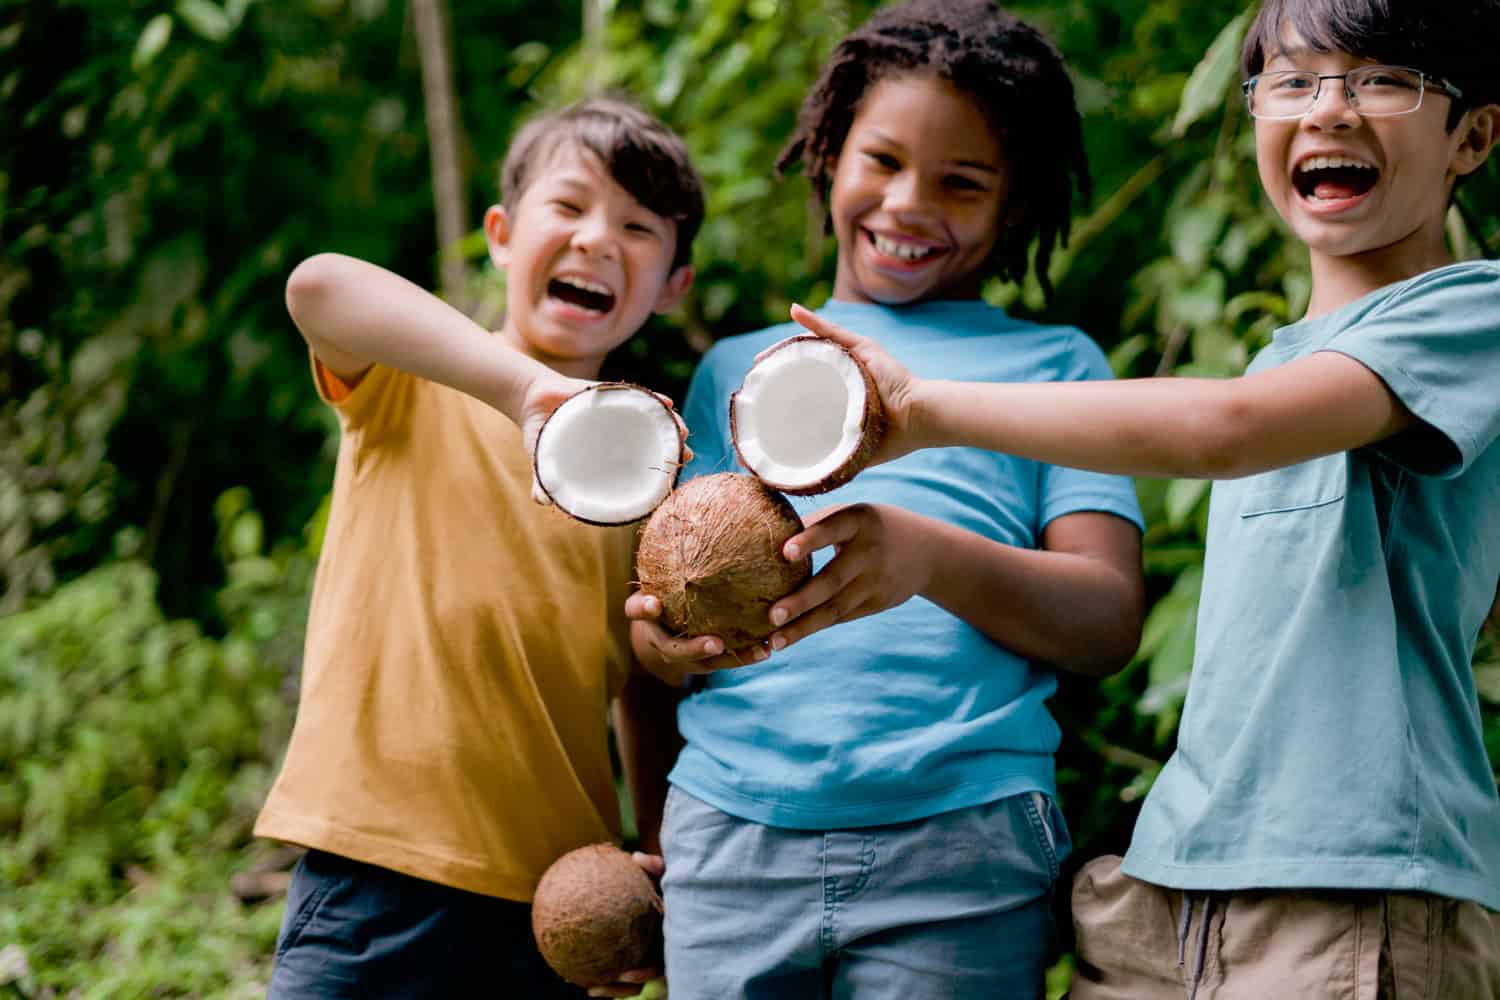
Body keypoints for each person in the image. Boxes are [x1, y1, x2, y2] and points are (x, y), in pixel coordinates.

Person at [787, 0, 1500, 994]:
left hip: (1352, 884)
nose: (1330, 109)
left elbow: (1226, 431)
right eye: (1293, 81)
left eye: (1380, 80)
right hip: (1174, 883)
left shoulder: (1472, 311)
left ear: (1472, 133)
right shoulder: (1279, 360)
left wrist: (925, 410)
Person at [627, 3, 1147, 996]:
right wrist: (660, 647)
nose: (910, 203)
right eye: (884, 160)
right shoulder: (739, 370)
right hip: (731, 832)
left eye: (962, 182)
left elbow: (1107, 619)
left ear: (1016, 204)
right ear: (828, 153)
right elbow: (663, 620)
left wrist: (931, 557)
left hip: (965, 836)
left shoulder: (1057, 368)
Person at [254, 97, 703, 999]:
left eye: (638, 227)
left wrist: (656, 856)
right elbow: (316, 284)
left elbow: (649, 687)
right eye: (568, 208)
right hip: (369, 872)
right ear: (500, 234)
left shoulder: (653, 476)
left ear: (673, 287)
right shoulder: (410, 383)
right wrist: (528, 391)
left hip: (552, 901)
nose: (596, 240)